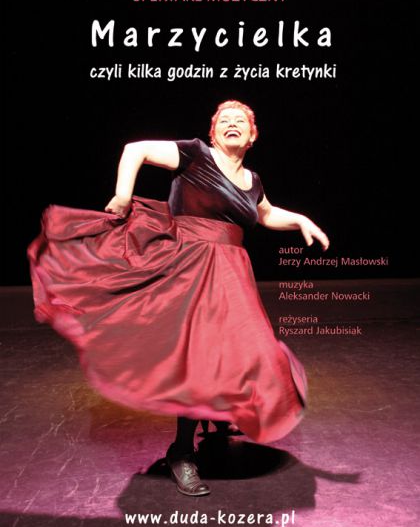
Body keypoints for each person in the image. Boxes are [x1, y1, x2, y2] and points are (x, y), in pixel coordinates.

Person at [28, 100, 329, 497]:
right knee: (197, 359)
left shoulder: (252, 180)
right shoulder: (195, 154)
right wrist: (122, 196)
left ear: (252, 136)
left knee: (245, 350)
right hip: (190, 267)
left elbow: (266, 213)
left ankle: (217, 414)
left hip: (231, 273)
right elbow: (135, 149)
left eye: (240, 121)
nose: (233, 124)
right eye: (225, 120)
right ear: (213, 133)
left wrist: (301, 219)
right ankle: (182, 452)